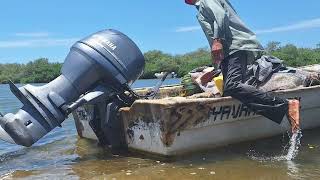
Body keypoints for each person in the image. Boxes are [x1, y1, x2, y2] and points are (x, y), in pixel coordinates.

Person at [184, 0, 300, 133]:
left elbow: (220, 15)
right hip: (227, 52)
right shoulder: (200, 8)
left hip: (234, 47)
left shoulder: (207, 0)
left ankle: (286, 106)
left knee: (232, 85)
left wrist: (217, 40)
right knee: (228, 91)